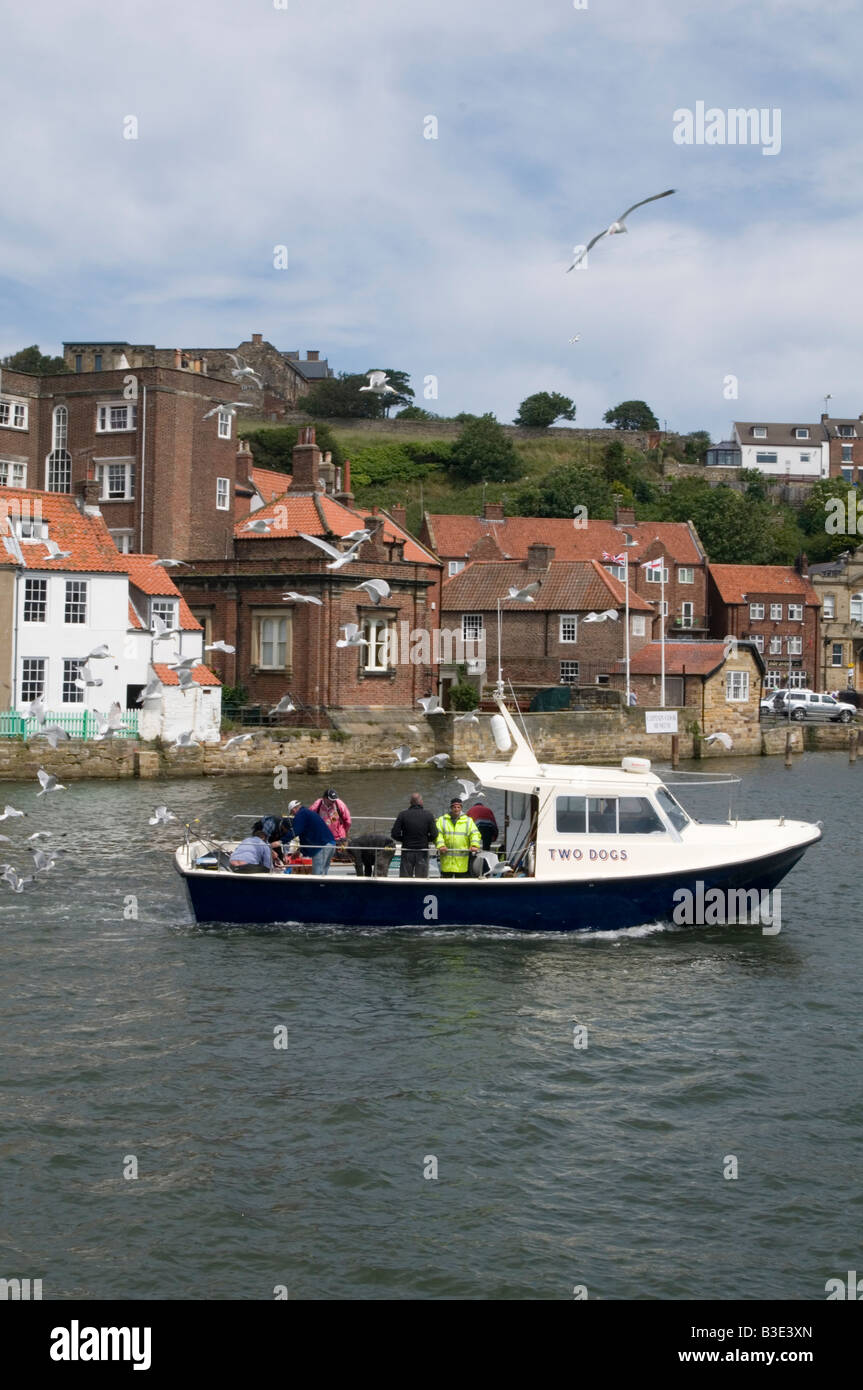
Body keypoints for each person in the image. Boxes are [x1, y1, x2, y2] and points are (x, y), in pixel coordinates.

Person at [391, 792, 438, 878]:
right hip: (422, 850)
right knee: (421, 878)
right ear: (421, 802)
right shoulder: (428, 815)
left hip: (407, 850)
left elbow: (394, 834)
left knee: (405, 878)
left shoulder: (403, 814)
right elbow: (434, 834)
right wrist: (426, 839)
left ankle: (406, 891)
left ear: (410, 802)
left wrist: (404, 839)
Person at [435, 798, 482, 878]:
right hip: (447, 862)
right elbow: (437, 834)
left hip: (461, 864)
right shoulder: (442, 820)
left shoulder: (468, 821)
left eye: (458, 807)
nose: (456, 809)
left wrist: (474, 845)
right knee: (446, 886)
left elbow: (475, 834)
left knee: (461, 886)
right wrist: (441, 845)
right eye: (454, 807)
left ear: (461, 808)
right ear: (451, 808)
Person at [287, 798, 336, 875]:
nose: (293, 815)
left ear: (294, 809)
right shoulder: (309, 813)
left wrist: (281, 841)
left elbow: (297, 832)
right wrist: (300, 851)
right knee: (324, 873)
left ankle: (317, 886)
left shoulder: (301, 815)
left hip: (322, 847)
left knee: (317, 875)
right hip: (331, 844)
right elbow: (307, 836)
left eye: (292, 813)